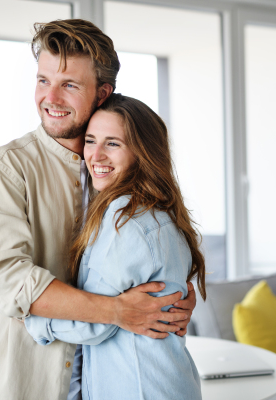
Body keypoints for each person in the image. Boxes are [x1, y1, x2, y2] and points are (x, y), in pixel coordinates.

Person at [0, 19, 196, 400]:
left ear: (102, 93)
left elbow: (147, 263)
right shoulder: (5, 169)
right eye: (43, 80)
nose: (50, 98)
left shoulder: (117, 175)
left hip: (101, 382)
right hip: (26, 381)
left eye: (69, 84)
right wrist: (118, 311)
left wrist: (173, 299)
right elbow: (7, 283)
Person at [25, 93, 206, 400]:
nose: (95, 155)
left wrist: (21, 309)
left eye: (113, 143)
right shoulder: (158, 212)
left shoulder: (126, 220)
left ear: (142, 153)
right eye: (91, 140)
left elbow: (95, 324)